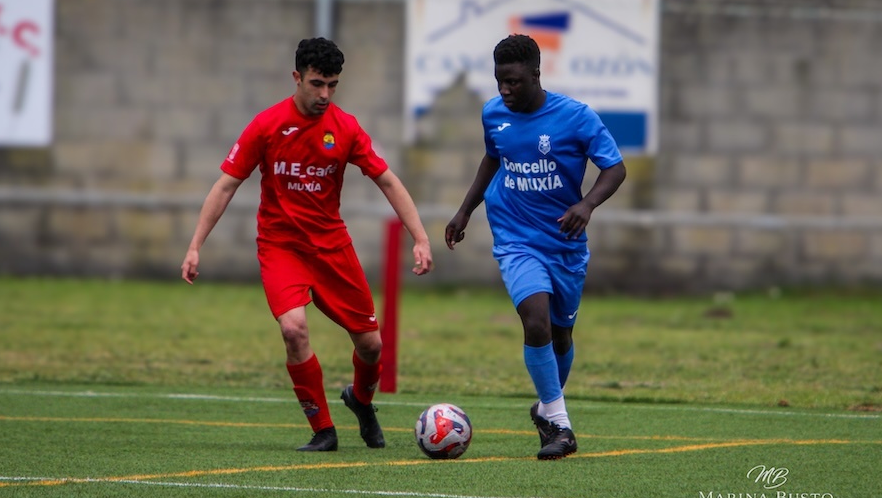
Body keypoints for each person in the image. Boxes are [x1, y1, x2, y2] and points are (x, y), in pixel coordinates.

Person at [181, 37, 433, 452]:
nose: (325, 95)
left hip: (332, 247)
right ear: (296, 77)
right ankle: (323, 430)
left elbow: (387, 179)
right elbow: (226, 185)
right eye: (317, 84)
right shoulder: (265, 126)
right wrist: (195, 245)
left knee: (371, 345)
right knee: (294, 329)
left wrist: (420, 238)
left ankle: (361, 401)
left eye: (333, 85)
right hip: (281, 248)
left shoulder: (346, 127)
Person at [444, 34, 626, 460]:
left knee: (561, 335)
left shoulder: (576, 117)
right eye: (499, 82)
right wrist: (465, 210)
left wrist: (586, 204)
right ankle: (560, 427)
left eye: (513, 82)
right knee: (536, 320)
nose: (505, 91)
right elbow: (493, 158)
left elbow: (615, 170)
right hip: (514, 237)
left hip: (564, 243)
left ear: (535, 75)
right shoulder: (494, 114)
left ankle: (546, 406)